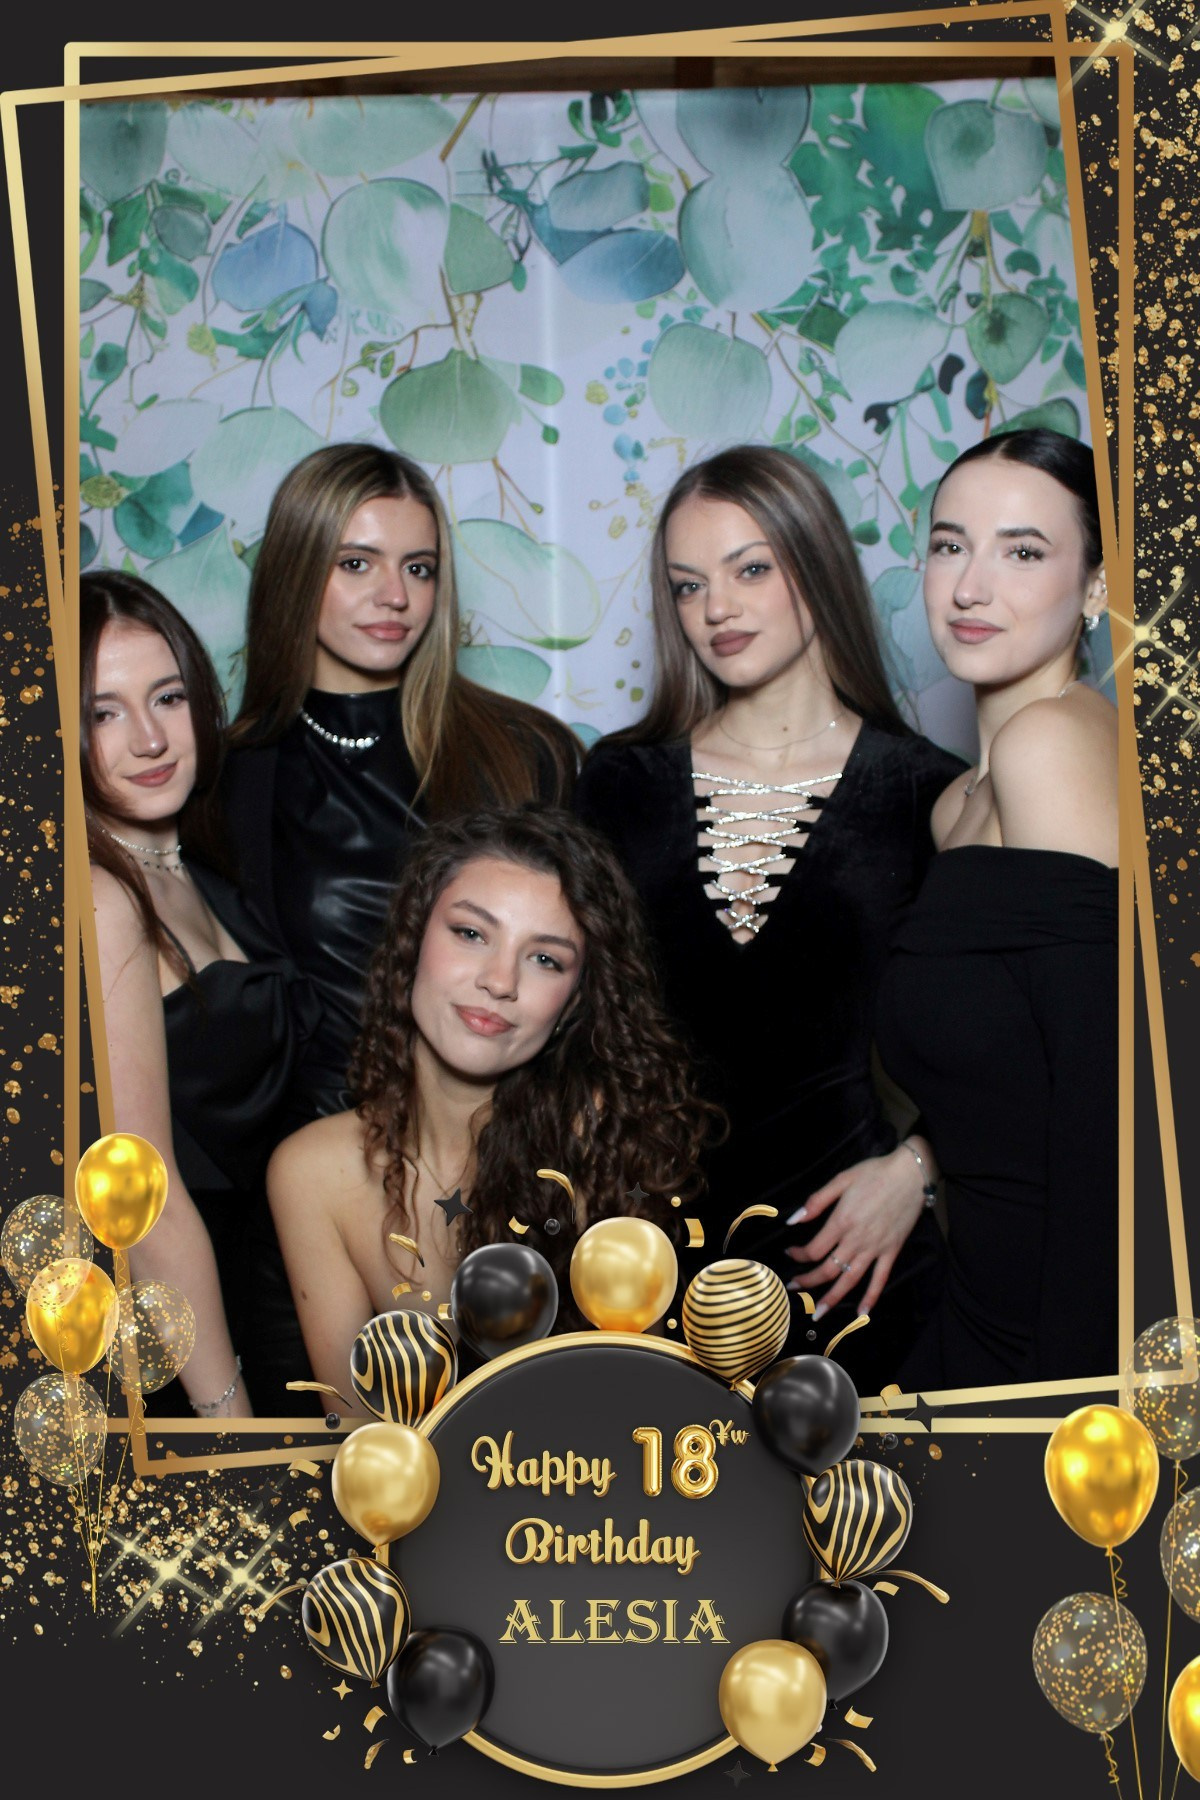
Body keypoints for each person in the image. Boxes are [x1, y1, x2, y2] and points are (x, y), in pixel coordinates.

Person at [573, 445, 967, 1394]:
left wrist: (918, 1169)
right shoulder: (617, 784)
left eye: (751, 569)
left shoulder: (930, 793)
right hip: (643, 1259)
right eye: (688, 585)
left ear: (816, 564)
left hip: (850, 1260)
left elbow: (1012, 1038)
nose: (717, 608)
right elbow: (565, 1023)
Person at [267, 807, 720, 1401]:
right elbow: (353, 1430)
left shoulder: (603, 1152)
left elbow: (637, 1410)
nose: (501, 981)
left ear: (573, 1004)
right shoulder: (312, 1172)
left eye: (545, 959)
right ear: (413, 937)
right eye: (471, 933)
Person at [223, 443, 580, 1121]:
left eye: (419, 568)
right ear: (296, 570)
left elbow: (588, 984)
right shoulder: (225, 779)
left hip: (497, 1140)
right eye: (356, 563)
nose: (395, 596)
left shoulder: (526, 751)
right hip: (309, 1149)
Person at [876, 427, 1117, 1386]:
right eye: (950, 545)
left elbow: (1108, 1107)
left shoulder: (1052, 744)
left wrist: (1076, 1405)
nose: (971, 587)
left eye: (1023, 552)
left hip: (1060, 1337)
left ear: (1095, 587)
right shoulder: (957, 805)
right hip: (979, 1300)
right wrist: (915, 1165)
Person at [82, 571, 318, 1418]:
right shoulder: (99, 898)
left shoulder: (195, 865)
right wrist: (227, 1420)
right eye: (103, 713)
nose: (149, 738)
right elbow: (136, 1198)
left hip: (246, 1297)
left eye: (168, 697)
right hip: (174, 1345)